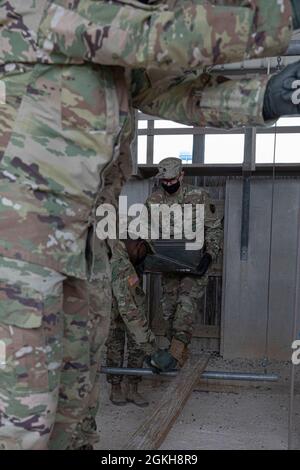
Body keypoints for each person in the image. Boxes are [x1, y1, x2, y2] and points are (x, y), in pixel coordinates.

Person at [1, 0, 300, 450]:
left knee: (74, 409)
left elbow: (171, 90)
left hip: (81, 243)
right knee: (23, 423)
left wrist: (265, 96)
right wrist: (284, 13)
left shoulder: (115, 52)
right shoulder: (48, 9)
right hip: (19, 248)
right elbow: (158, 35)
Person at [145, 157, 223, 371]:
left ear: (182, 175)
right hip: (168, 265)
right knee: (169, 312)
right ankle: (178, 355)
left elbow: (214, 229)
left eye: (172, 180)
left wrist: (209, 256)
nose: (169, 184)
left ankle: (173, 357)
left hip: (194, 264)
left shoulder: (199, 196)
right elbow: (146, 233)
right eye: (165, 181)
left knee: (185, 309)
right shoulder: (153, 201)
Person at [106, 238, 156, 408]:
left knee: (135, 345)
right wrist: (151, 348)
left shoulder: (124, 258)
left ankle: (132, 387)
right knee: (115, 344)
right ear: (139, 245)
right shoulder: (120, 263)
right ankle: (116, 386)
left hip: (121, 308)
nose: (144, 257)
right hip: (114, 312)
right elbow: (130, 310)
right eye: (145, 253)